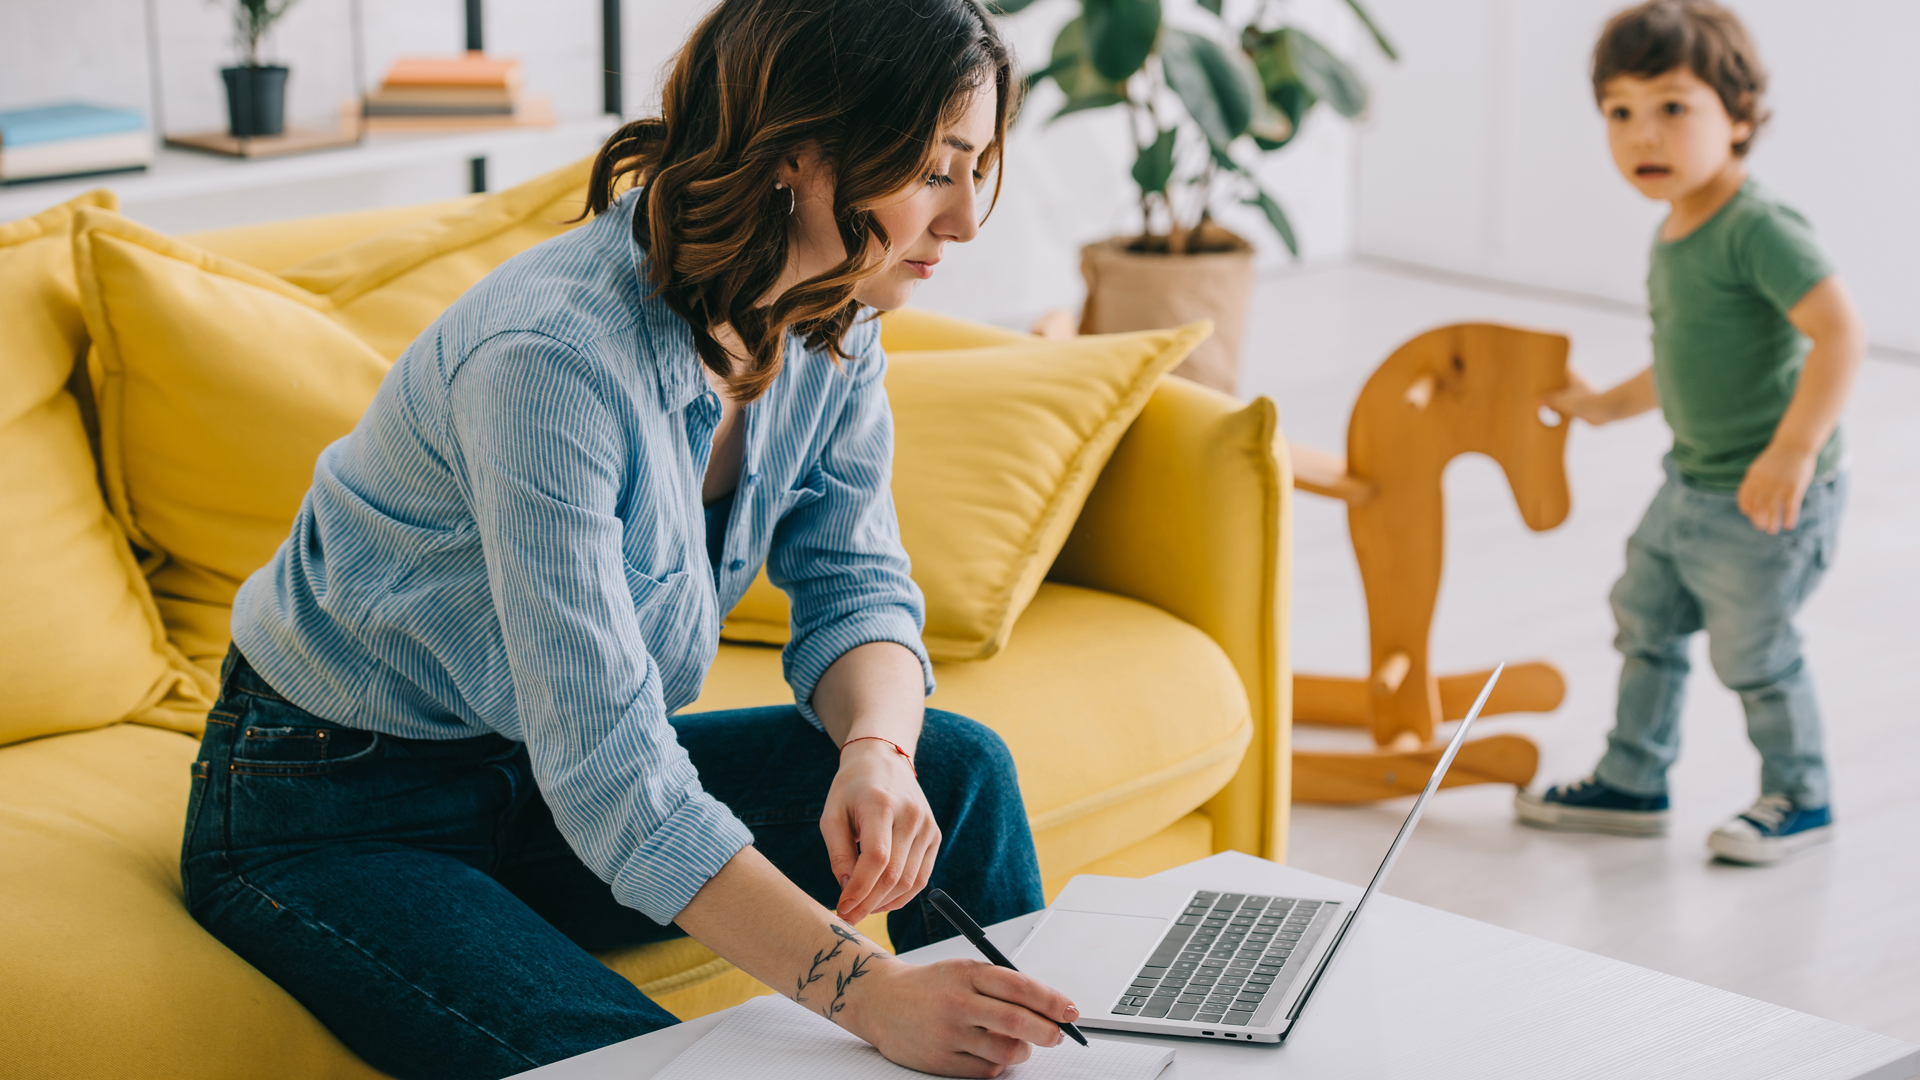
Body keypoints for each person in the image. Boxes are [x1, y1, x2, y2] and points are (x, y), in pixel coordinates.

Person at [179, 2, 1080, 1077]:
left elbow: (855, 587)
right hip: (336, 808)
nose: (969, 218)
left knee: (953, 765)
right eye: (935, 170)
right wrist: (871, 993)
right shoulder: (550, 360)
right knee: (645, 1066)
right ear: (798, 149)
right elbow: (613, 771)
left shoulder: (832, 317)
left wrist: (877, 750)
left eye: (979, 167)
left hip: (538, 782)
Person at [1514, 0, 1865, 866]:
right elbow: (1681, 360)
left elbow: (1841, 332)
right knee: (1645, 620)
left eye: (1674, 107)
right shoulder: (1673, 232)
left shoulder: (1757, 227)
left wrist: (1794, 450)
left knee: (1755, 654)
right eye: (1621, 113)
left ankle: (1803, 793)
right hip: (1690, 485)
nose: (1646, 136)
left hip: (1768, 499)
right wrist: (1606, 406)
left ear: (1738, 118)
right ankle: (1634, 780)